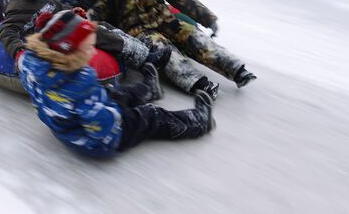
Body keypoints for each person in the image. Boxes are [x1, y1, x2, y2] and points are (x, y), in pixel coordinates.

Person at [19, 10, 214, 157]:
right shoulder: (78, 82)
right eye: (87, 48)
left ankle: (148, 89)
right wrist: (119, 112)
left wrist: (108, 98)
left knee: (114, 94)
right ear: (68, 50)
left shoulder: (31, 65)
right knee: (150, 115)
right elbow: (103, 126)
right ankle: (198, 121)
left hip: (65, 127)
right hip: (100, 141)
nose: (92, 52)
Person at [90, 0, 257, 99]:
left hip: (165, 20)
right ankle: (200, 84)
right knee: (166, 52)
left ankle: (237, 70)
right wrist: (87, 19)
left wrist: (208, 18)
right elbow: (101, 8)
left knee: (194, 36)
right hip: (140, 30)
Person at [0, 0, 171, 72]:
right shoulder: (20, 5)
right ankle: (144, 59)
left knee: (100, 25)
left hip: (54, 28)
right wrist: (19, 52)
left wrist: (72, 12)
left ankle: (139, 50)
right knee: (91, 31)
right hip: (43, 41)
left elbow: (58, 8)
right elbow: (7, 31)